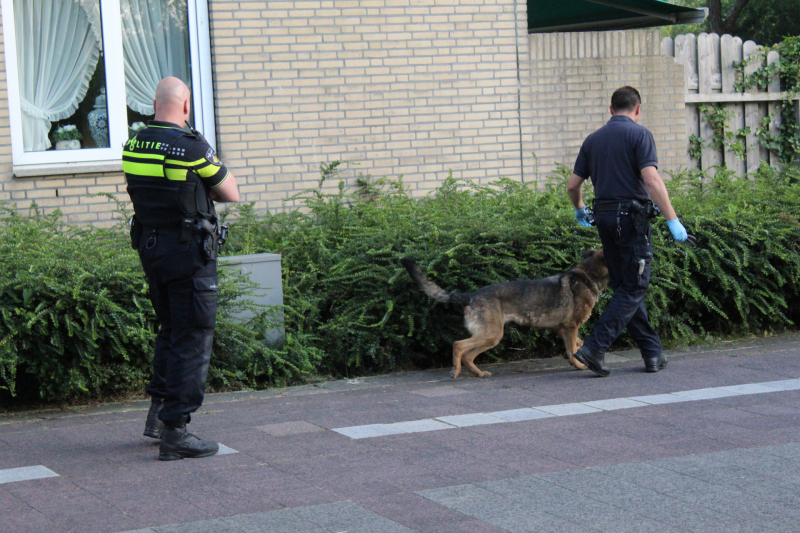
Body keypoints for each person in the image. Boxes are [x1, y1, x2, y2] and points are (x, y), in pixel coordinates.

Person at [123, 77, 239, 459]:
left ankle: (157, 415)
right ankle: (175, 431)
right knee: (193, 336)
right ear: (186, 106)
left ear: (154, 104)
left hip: (151, 249)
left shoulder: (133, 144)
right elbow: (230, 192)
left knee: (171, 330)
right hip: (189, 253)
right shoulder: (191, 148)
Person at [567, 86, 689, 377]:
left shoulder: (593, 139)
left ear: (611, 110)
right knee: (635, 287)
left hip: (604, 220)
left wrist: (580, 208)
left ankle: (652, 353)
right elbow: (652, 181)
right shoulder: (639, 135)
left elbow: (573, 185)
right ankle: (594, 348)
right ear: (638, 109)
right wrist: (673, 220)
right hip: (631, 222)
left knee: (626, 287)